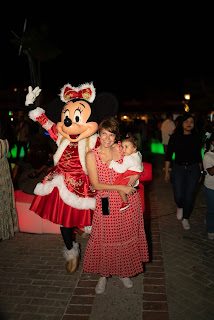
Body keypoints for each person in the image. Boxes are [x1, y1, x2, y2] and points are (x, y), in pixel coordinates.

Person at [82, 117, 149, 294]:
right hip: (106, 201)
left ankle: (123, 272)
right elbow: (95, 185)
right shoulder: (91, 155)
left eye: (111, 135)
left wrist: (133, 180)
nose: (107, 138)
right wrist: (121, 187)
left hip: (128, 201)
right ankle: (103, 275)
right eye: (104, 134)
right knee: (106, 238)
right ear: (99, 134)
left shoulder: (122, 148)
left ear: (115, 136)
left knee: (124, 235)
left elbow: (137, 163)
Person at [164, 112, 203, 230]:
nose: (189, 124)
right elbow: (168, 155)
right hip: (178, 168)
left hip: (193, 168)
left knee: (189, 196)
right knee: (178, 194)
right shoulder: (175, 137)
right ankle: (180, 206)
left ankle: (185, 218)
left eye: (191, 122)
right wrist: (166, 171)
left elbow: (198, 156)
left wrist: (200, 172)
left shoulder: (196, 137)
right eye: (186, 122)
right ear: (181, 123)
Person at [108, 132, 143, 211]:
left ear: (134, 147)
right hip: (136, 174)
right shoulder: (138, 154)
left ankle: (125, 202)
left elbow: (121, 169)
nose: (123, 150)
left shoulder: (129, 158)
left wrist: (112, 163)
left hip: (129, 175)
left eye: (126, 147)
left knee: (120, 188)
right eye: (122, 147)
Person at [0, 117, 19, 240]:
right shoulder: (5, 141)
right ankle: (5, 231)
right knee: (4, 203)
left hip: (1, 176)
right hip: (5, 175)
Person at [203, 132, 214, 240]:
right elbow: (211, 172)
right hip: (211, 187)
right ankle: (211, 229)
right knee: (211, 210)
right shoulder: (208, 156)